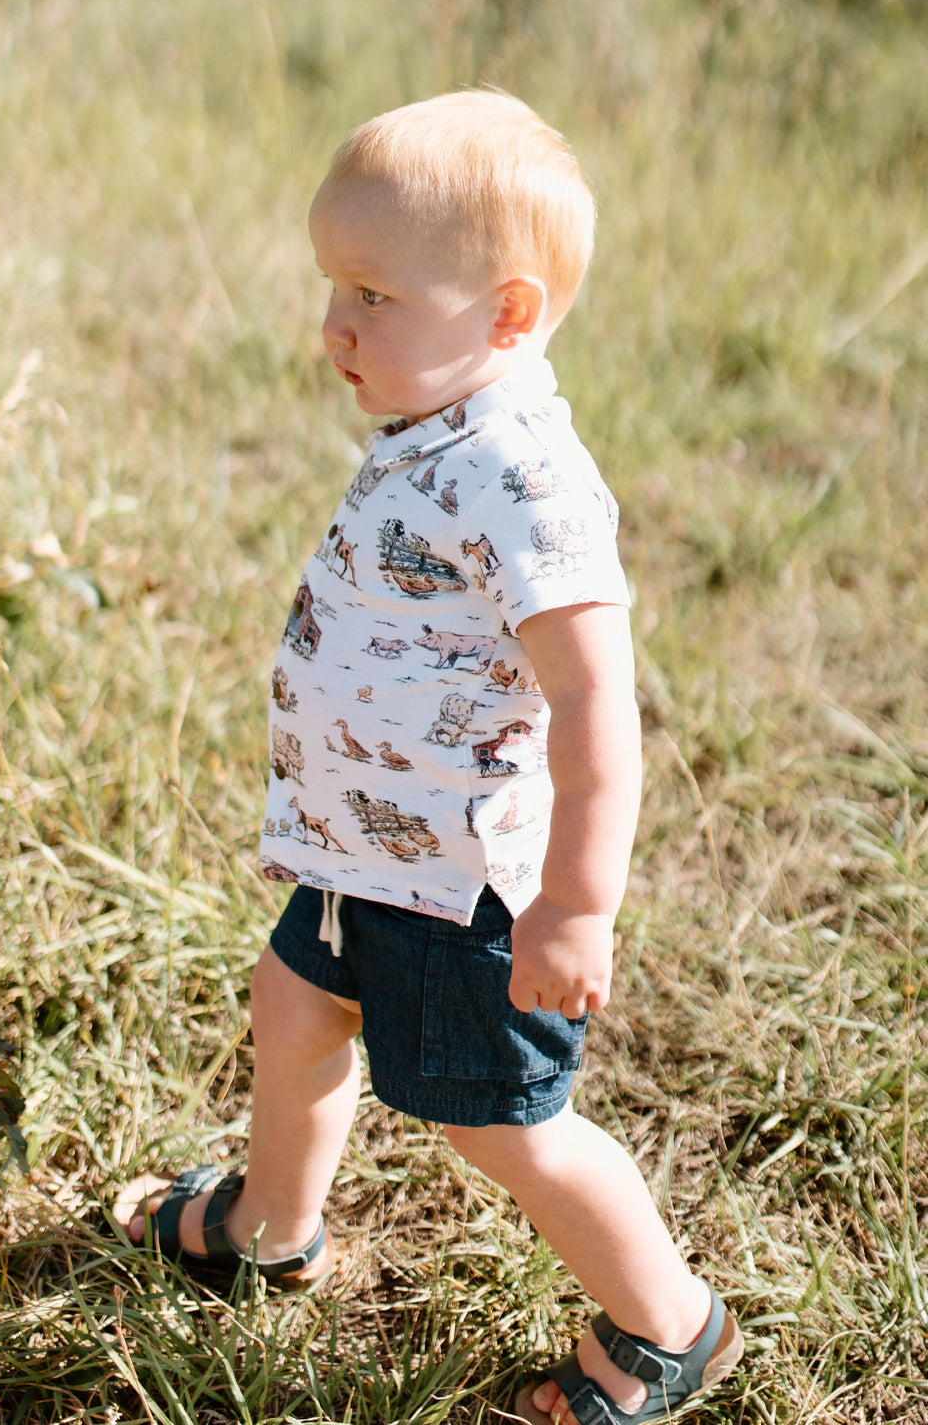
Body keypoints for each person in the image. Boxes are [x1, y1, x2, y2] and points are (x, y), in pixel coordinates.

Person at [116, 89, 743, 1425]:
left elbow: (594, 705)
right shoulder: (435, 430)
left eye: (375, 297)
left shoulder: (530, 478)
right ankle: (273, 1229)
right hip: (359, 854)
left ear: (508, 317)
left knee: (499, 1125)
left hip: (464, 898)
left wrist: (575, 906)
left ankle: (667, 1325)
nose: (333, 325)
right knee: (290, 1014)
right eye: (335, 286)